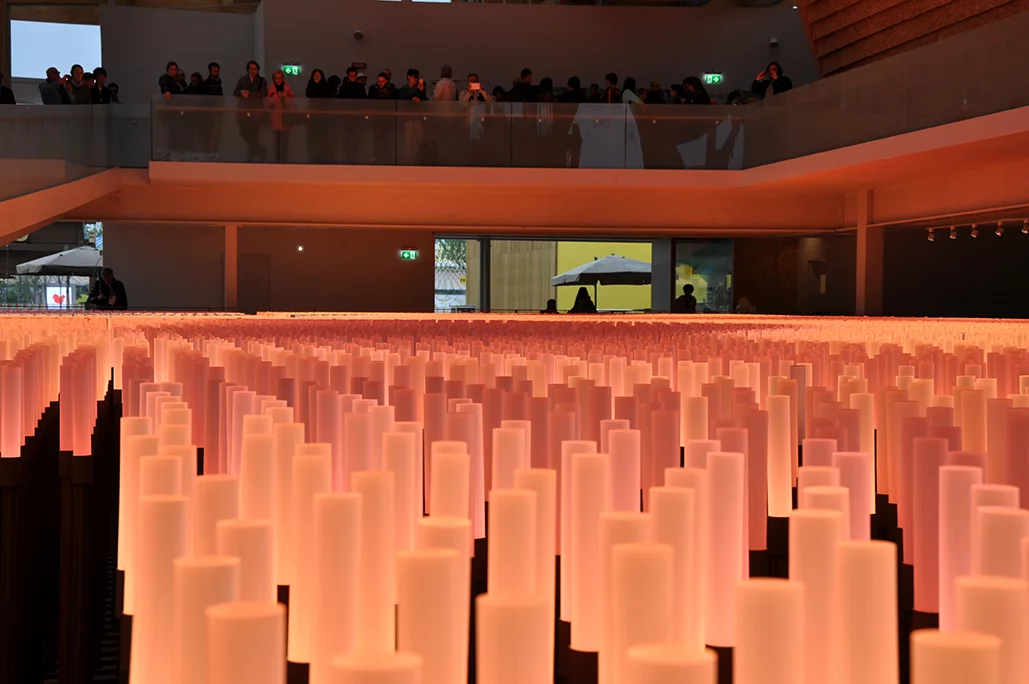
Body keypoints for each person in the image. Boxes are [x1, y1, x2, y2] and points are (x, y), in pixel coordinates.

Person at [234, 60, 268, 162]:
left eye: (255, 69)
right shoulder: (242, 79)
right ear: (248, 70)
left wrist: (249, 94)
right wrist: (241, 92)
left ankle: (251, 157)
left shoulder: (262, 80)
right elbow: (235, 92)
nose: (253, 71)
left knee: (254, 134)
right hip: (243, 112)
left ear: (258, 70)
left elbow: (262, 93)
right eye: (251, 69)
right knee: (244, 131)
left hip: (255, 112)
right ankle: (259, 150)